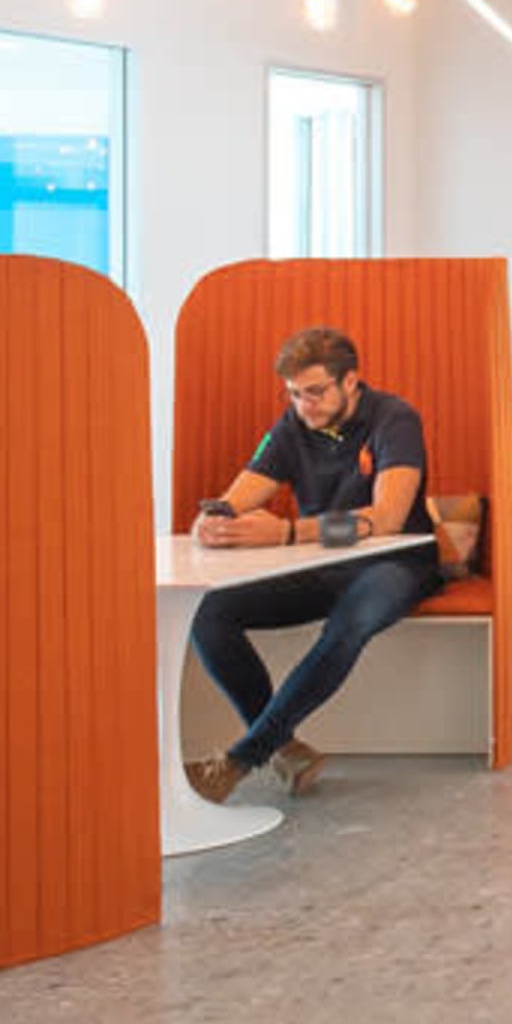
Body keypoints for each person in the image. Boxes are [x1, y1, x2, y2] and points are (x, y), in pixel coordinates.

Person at [184, 327, 444, 803]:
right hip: (322, 564)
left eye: (316, 392)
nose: (305, 406)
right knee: (209, 612)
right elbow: (237, 497)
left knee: (350, 621)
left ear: (351, 381)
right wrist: (214, 520)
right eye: (295, 395)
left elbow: (386, 520)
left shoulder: (395, 419)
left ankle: (243, 758)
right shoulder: (293, 425)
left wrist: (287, 532)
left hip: (397, 561)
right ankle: (286, 749)